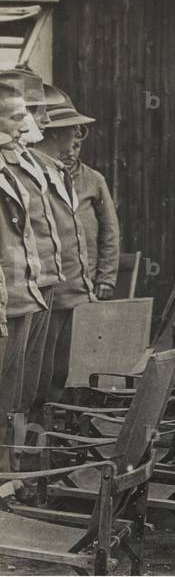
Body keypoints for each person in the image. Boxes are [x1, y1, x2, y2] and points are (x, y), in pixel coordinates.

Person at [31, 87, 97, 406]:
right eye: (73, 128)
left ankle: (45, 446)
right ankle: (29, 450)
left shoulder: (60, 173)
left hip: (71, 294)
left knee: (60, 375)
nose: (77, 136)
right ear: (55, 132)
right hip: (49, 298)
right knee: (38, 380)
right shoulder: (32, 175)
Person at [0, 81, 45, 472]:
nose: (25, 124)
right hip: (3, 302)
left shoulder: (11, 166)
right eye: (15, 116)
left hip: (21, 297)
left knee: (9, 400)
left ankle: (5, 478)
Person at [66, 128, 119, 299]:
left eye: (76, 146)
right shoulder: (40, 176)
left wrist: (106, 278)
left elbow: (109, 230)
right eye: (68, 146)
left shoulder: (94, 180)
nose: (71, 153)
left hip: (87, 281)